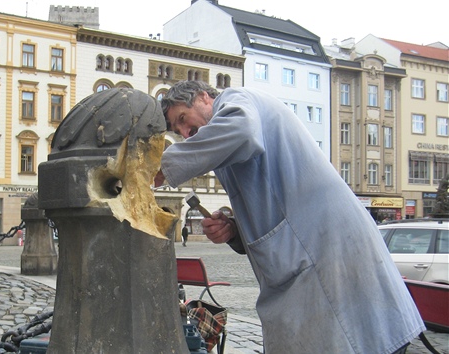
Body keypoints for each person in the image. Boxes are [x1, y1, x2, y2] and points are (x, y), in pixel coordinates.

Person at [155, 81, 424, 353]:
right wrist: (233, 229)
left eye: (183, 120)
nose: (187, 134)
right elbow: (270, 204)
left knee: (363, 338)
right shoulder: (222, 140)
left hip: (328, 253)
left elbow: (243, 131)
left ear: (204, 97)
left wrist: (161, 167)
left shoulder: (236, 100)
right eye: (178, 132)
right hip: (306, 264)